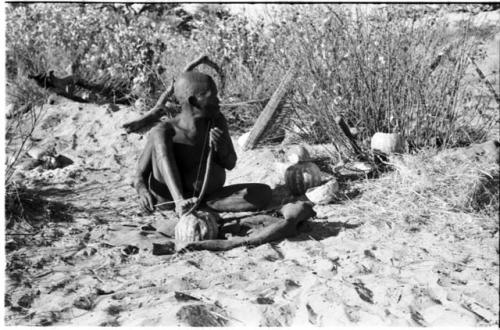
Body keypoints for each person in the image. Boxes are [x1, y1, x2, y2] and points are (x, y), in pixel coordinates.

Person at [133, 71, 271, 217]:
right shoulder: (166, 130)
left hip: (209, 197)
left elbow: (230, 164)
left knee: (263, 193)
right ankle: (180, 201)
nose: (219, 101)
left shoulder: (217, 121)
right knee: (159, 134)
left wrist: (220, 145)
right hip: (170, 200)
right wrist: (143, 192)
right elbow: (139, 176)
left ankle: (204, 204)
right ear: (194, 101)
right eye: (213, 96)